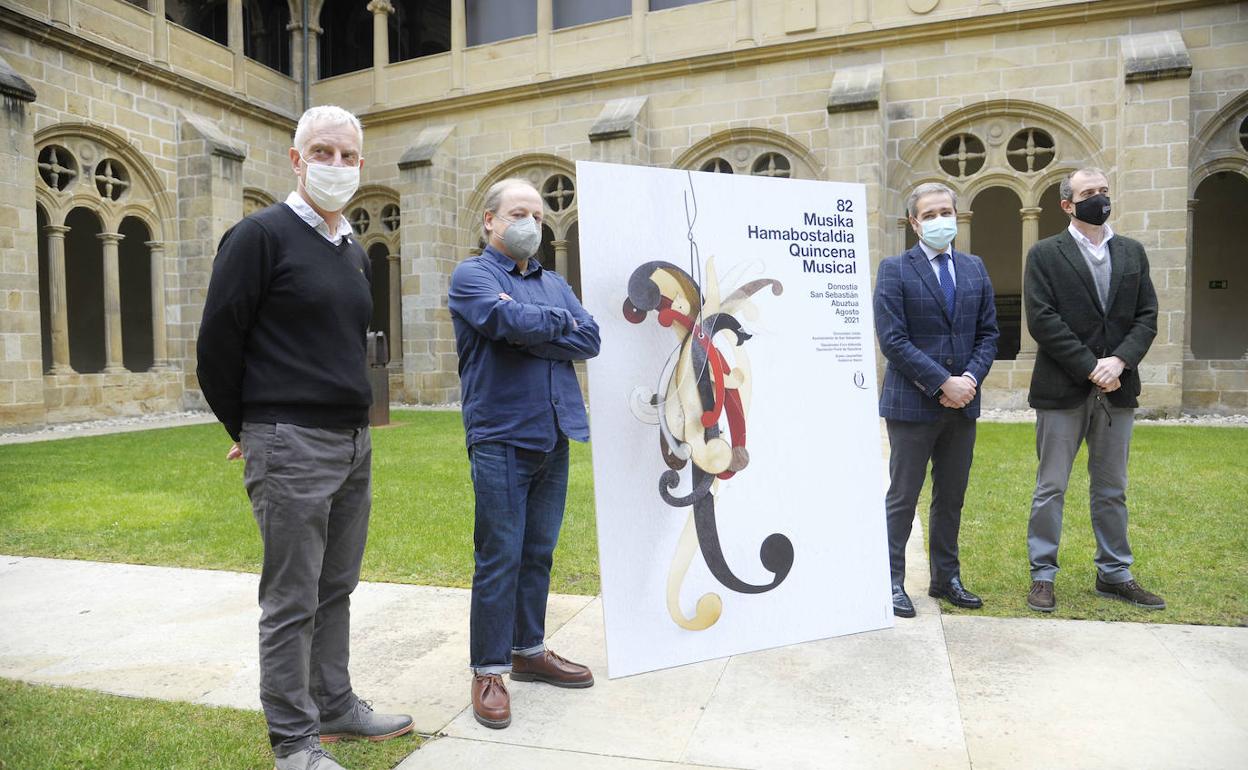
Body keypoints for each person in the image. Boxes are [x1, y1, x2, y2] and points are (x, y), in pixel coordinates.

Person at [197, 105, 412, 770]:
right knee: (291, 598)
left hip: (351, 443)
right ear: (296, 160)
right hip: (291, 442)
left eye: (349, 157)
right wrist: (252, 429)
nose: (337, 167)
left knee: (336, 586)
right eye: (324, 152)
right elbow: (216, 346)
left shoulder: (349, 250)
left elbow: (350, 347)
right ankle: (294, 741)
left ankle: (336, 704)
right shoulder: (258, 237)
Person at [448, 178, 601, 729]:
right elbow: (503, 320)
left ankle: (528, 650)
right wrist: (540, 324)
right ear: (489, 220)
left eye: (537, 216)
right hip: (500, 435)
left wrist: (531, 327)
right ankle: (489, 669)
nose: (531, 225)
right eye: (519, 213)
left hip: (554, 432)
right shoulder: (472, 276)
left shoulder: (553, 281)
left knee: (538, 551)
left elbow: (591, 339)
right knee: (500, 554)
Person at [1023, 167, 1163, 613]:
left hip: (1118, 389)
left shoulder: (1132, 252)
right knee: (1051, 487)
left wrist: (1119, 361)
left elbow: (1147, 316)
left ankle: (1115, 573)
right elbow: (1043, 320)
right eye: (1088, 193)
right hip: (1062, 389)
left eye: (1103, 191)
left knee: (1111, 488)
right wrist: (1091, 368)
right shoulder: (1045, 254)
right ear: (1067, 204)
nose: (1099, 199)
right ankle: (1043, 574)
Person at [873, 182, 999, 619]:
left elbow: (988, 335)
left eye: (946, 211)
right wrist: (943, 381)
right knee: (903, 495)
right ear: (914, 222)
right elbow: (893, 340)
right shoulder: (895, 269)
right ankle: (890, 580)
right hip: (912, 404)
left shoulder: (974, 268)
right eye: (929, 214)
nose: (939, 219)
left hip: (963, 404)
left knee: (951, 495)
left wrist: (968, 379)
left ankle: (947, 579)